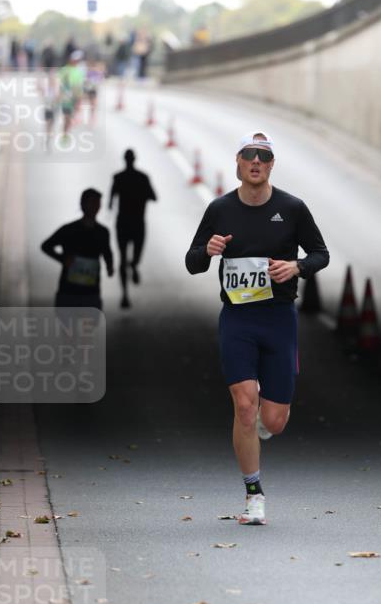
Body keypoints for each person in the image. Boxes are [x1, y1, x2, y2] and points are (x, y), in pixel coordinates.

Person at [185, 130, 329, 525]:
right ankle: (254, 494)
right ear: (237, 162)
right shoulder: (219, 209)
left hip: (279, 319)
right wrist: (208, 251)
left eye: (263, 157)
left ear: (270, 166)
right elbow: (192, 261)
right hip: (238, 319)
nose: (256, 162)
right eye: (249, 155)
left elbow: (321, 254)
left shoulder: (292, 208)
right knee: (244, 406)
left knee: (274, 421)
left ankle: (265, 427)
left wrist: (297, 266)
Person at [41, 189, 113, 310]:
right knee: (68, 328)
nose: (95, 207)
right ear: (82, 204)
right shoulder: (69, 230)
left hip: (91, 293)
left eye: (98, 203)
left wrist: (110, 266)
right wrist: (63, 259)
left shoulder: (102, 232)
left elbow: (107, 251)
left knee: (89, 328)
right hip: (68, 293)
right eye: (92, 203)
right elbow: (46, 246)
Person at [109, 149, 157, 308]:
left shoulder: (118, 178)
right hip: (138, 223)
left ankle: (125, 295)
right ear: (134, 159)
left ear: (125, 160)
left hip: (122, 222)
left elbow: (110, 203)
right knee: (135, 255)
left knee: (122, 258)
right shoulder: (143, 178)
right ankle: (134, 266)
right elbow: (154, 197)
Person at [58, 50, 85, 134]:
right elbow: (60, 83)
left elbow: (81, 84)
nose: (76, 62)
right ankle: (65, 132)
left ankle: (67, 129)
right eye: (75, 60)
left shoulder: (80, 70)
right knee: (67, 116)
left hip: (76, 95)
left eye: (78, 60)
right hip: (67, 96)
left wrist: (81, 97)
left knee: (73, 113)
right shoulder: (65, 70)